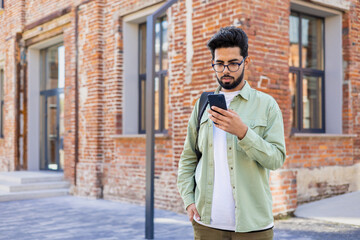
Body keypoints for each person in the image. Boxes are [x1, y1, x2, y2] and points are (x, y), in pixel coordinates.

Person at [177, 26, 286, 240]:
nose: (225, 70)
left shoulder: (267, 105)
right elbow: (188, 158)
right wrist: (188, 200)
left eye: (233, 63)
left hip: (253, 226)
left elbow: (276, 159)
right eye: (219, 64)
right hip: (206, 224)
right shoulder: (202, 104)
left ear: (246, 61)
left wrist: (244, 133)